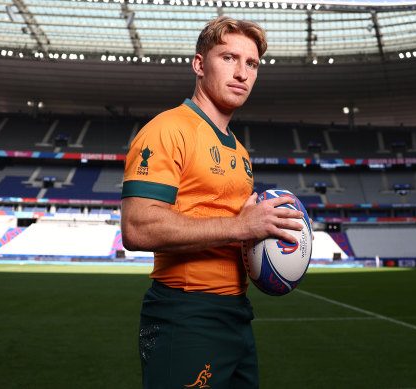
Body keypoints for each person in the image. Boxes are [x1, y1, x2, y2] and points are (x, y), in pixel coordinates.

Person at [120, 16, 304, 389]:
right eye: (229, 58)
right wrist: (242, 226)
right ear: (199, 64)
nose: (242, 73)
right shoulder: (167, 129)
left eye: (251, 64)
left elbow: (235, 233)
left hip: (236, 314)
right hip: (185, 313)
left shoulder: (241, 152)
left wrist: (266, 252)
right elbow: (137, 227)